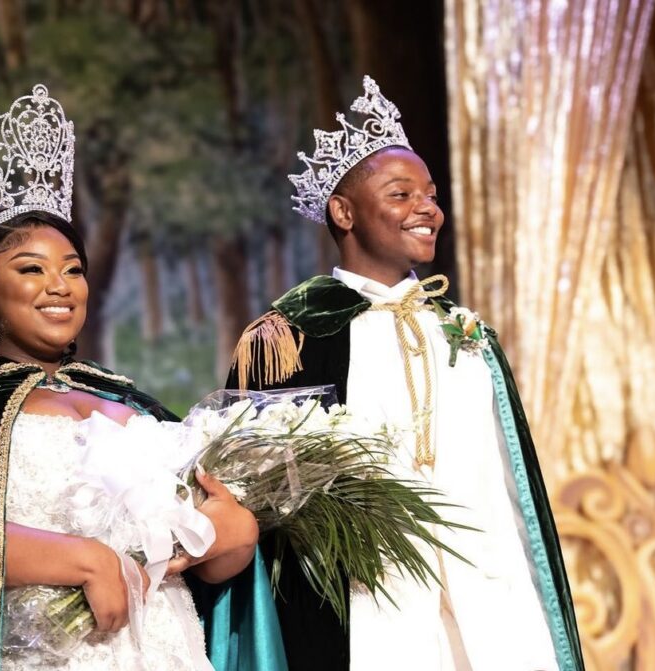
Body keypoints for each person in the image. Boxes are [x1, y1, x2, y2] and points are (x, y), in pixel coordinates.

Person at [0, 84, 285, 671]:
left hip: (168, 648)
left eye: (73, 270)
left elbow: (209, 564)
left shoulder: (129, 400)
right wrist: (81, 560)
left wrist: (233, 533)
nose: (60, 286)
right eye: (32, 269)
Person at [227, 76, 585, 671]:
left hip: (489, 590)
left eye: (431, 193)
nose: (428, 209)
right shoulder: (291, 334)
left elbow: (508, 479)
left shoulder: (468, 334)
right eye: (400, 195)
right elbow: (262, 497)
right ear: (343, 212)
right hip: (368, 597)